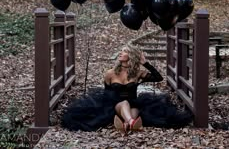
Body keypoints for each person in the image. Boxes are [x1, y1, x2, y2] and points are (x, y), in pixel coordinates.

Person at [62, 43, 193, 133]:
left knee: (135, 109)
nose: (121, 53)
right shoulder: (110, 73)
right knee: (124, 103)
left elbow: (158, 77)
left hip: (133, 103)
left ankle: (127, 124)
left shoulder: (138, 72)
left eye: (124, 51)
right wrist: (111, 104)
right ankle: (131, 121)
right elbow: (107, 93)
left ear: (130, 56)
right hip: (114, 104)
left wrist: (145, 63)